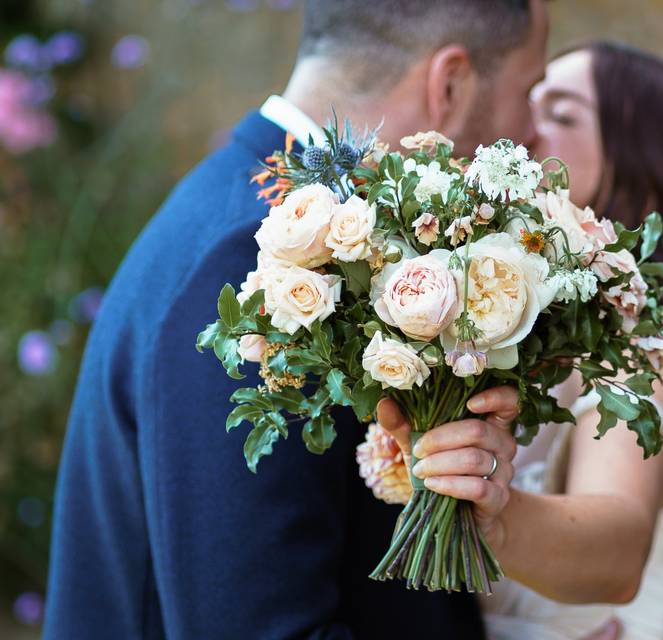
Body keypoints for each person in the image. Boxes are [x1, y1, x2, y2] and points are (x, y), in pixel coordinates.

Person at [43, 2, 548, 638]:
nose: (533, 131)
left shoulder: (265, 218)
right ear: (448, 83)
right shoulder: (257, 265)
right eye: (530, 91)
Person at [383, 42, 663, 639]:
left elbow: (617, 549)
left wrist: (497, 513)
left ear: (650, 178)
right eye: (532, 100)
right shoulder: (571, 347)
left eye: (561, 114)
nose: (524, 128)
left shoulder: (647, 347)